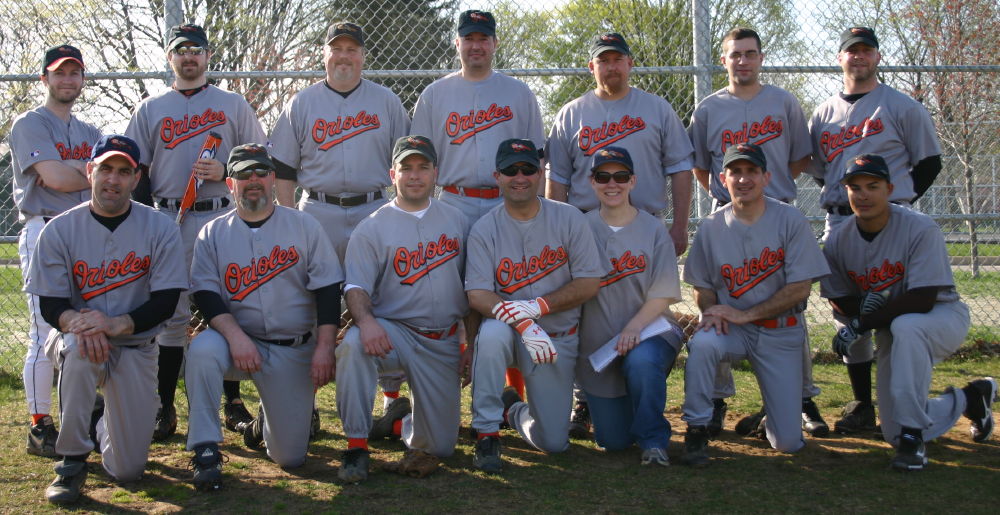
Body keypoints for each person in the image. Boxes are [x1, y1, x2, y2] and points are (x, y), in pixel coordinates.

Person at [544, 32, 694, 436]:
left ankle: (638, 382)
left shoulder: (656, 109)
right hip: (582, 228)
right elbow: (557, 178)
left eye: (618, 59)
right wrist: (553, 232)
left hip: (643, 225)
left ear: (630, 64)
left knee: (641, 308)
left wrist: (679, 225)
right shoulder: (571, 114)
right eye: (603, 60)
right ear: (591, 67)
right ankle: (583, 399)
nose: (611, 66)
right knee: (584, 314)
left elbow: (681, 168)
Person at [26, 134, 187, 503]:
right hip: (78, 338)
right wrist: (81, 325)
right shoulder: (60, 229)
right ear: (90, 172)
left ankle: (98, 424)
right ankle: (71, 461)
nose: (113, 179)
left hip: (135, 344)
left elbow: (165, 301)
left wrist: (113, 325)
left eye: (123, 171)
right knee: (80, 355)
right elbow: (51, 305)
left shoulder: (160, 227)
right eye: (105, 169)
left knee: (127, 470)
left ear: (135, 178)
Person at [125, 23, 267, 442]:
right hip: (170, 219)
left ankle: (233, 404)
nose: (189, 56)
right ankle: (164, 407)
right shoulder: (150, 108)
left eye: (197, 50)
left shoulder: (232, 103)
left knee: (231, 306)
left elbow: (259, 155)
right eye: (181, 50)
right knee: (172, 313)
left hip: (223, 214)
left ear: (207, 57)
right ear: (170, 58)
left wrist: (228, 171)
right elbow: (138, 170)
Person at [687, 27, 825, 438]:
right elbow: (699, 165)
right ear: (724, 60)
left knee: (787, 309)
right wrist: (728, 190)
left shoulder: (783, 102)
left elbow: (800, 157)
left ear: (760, 58)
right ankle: (715, 400)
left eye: (750, 54)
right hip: (726, 211)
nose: (742, 61)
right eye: (735, 55)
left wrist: (768, 186)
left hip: (778, 208)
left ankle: (797, 397)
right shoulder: (709, 108)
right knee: (720, 307)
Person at [820, 153, 996, 471]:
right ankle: (970, 398)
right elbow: (839, 297)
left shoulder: (918, 227)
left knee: (907, 325)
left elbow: (924, 298)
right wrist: (856, 315)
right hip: (892, 326)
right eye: (854, 187)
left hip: (941, 317)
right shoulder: (838, 240)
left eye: (872, 185)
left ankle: (914, 441)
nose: (863, 194)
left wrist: (863, 321)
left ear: (889, 188)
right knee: (892, 431)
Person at [807, 26, 943, 435]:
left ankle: (907, 402)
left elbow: (930, 162)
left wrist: (899, 202)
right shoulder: (823, 113)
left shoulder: (901, 107)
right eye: (852, 51)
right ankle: (863, 404)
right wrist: (847, 199)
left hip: (892, 220)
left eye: (866, 50)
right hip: (839, 220)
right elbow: (821, 170)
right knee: (846, 310)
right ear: (840, 58)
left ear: (877, 57)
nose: (859, 57)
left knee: (893, 313)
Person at [185, 144, 342, 490]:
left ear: (272, 178)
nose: (252, 180)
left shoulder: (303, 225)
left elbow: (329, 288)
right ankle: (205, 448)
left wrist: (324, 347)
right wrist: (237, 338)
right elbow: (206, 295)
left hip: (292, 346)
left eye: (260, 172)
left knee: (291, 458)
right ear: (230, 183)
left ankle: (262, 427)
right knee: (202, 351)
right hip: (236, 343)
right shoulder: (213, 232)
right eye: (243, 174)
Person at [679, 143, 829, 466]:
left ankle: (771, 418)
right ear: (722, 178)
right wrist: (712, 311)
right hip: (732, 330)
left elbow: (801, 288)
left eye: (752, 171)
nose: (743, 179)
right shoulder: (711, 226)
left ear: (766, 177)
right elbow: (701, 286)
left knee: (787, 443)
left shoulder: (790, 220)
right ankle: (696, 428)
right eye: (735, 171)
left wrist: (745, 314)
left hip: (779, 331)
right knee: (703, 343)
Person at [335, 136, 474, 482]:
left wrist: (469, 341)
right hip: (394, 333)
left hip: (441, 340)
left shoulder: (457, 221)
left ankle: (399, 421)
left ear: (435, 173)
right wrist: (365, 322)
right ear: (391, 174)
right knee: (353, 344)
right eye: (406, 168)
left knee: (440, 448)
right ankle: (356, 445)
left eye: (422, 167)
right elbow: (355, 287)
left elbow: (472, 289)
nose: (414, 175)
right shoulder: (372, 227)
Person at [465, 138, 603, 473]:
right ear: (497, 176)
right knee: (494, 331)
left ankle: (512, 409)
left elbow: (589, 283)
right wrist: (525, 322)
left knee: (554, 443)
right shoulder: (485, 228)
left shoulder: (569, 218)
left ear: (540, 172)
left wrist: (539, 307)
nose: (520, 176)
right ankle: (486, 433)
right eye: (511, 169)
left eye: (528, 168)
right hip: (512, 333)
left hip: (556, 338)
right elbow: (478, 295)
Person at [9, 44, 102, 457]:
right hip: (44, 228)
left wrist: (84, 176)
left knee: (81, 326)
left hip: (85, 232)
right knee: (44, 332)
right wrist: (94, 177)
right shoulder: (29, 122)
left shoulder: (89, 132)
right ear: (45, 79)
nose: (68, 80)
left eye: (75, 73)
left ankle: (83, 416)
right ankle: (39, 425)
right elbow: (53, 178)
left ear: (83, 80)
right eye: (59, 73)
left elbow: (98, 177)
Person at [576, 146, 684, 466]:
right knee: (614, 441)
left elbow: (663, 294)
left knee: (641, 362)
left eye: (621, 176)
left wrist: (634, 328)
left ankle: (653, 440)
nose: (613, 184)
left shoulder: (652, 229)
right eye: (603, 176)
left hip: (651, 330)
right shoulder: (578, 227)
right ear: (591, 182)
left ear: (633, 181)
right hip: (599, 347)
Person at [269, 21, 410, 263]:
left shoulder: (387, 101)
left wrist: (401, 213)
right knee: (317, 294)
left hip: (373, 208)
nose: (344, 56)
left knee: (376, 293)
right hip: (317, 211)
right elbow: (283, 168)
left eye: (352, 49)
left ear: (363, 56)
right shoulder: (301, 103)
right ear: (324, 53)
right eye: (336, 48)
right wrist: (290, 218)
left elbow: (406, 164)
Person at [411, 9, 545, 224]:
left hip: (508, 200)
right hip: (453, 201)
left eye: (483, 39)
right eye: (468, 39)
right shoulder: (434, 94)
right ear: (457, 43)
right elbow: (419, 158)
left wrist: (537, 208)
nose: (476, 46)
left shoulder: (520, 93)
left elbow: (538, 157)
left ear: (495, 43)